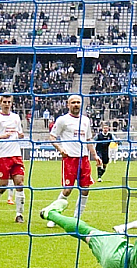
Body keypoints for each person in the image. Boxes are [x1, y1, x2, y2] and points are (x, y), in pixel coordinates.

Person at [48, 94, 102, 228]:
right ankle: (54, 217)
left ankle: (77, 219)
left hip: (84, 159)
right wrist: (60, 149)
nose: (76, 104)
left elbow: (88, 140)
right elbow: (52, 137)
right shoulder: (62, 120)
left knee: (85, 190)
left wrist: (95, 155)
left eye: (78, 102)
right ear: (68, 105)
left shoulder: (85, 120)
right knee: (67, 190)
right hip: (70, 159)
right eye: (73, 102)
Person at [0, 94, 26, 222]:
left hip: (16, 155)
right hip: (1, 156)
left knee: (20, 183)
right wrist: (2, 136)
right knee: (3, 186)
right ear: (0, 103)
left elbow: (19, 132)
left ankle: (19, 215)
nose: (7, 104)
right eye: (5, 102)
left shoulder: (16, 117)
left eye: (9, 102)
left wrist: (20, 135)